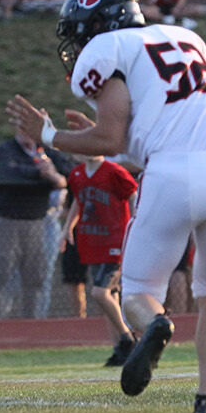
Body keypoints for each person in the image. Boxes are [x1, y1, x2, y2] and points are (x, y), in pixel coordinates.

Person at [8, 0, 206, 413]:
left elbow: (111, 134)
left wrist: (48, 134)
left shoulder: (107, 49)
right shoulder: (185, 36)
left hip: (174, 175)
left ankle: (154, 325)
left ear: (96, 24)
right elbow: (141, 134)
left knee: (137, 295)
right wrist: (95, 136)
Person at [63, 154, 139, 365]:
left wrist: (135, 224)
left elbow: (133, 194)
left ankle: (128, 337)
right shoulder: (77, 174)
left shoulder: (114, 171)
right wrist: (67, 227)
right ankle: (120, 350)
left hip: (115, 240)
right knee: (110, 299)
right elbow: (78, 202)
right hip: (93, 240)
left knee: (100, 292)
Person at [0, 131, 71, 319]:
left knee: (36, 279)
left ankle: (34, 327)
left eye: (30, 126)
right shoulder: (7, 149)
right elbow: (10, 170)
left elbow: (68, 172)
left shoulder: (48, 152)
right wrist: (42, 173)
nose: (26, 131)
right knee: (2, 276)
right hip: (7, 222)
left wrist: (56, 176)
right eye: (22, 126)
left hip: (37, 223)